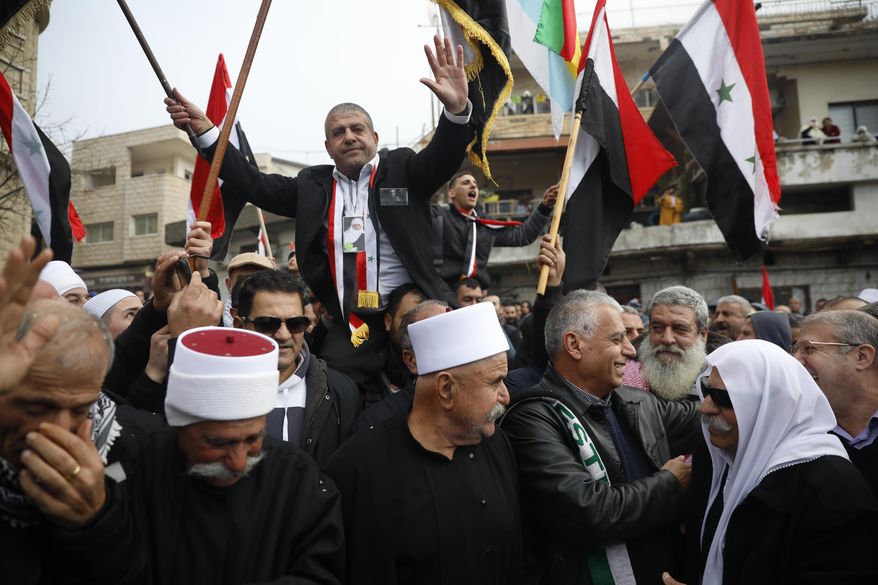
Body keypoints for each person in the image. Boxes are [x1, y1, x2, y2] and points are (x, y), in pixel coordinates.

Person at [165, 36, 473, 395]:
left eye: (357, 129)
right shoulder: (311, 185)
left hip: (412, 306)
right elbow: (252, 182)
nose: (349, 137)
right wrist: (206, 132)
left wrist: (456, 113)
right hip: (354, 322)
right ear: (328, 147)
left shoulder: (403, 167)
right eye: (338, 132)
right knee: (333, 390)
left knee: (450, 379)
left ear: (374, 136)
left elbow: (444, 157)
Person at [502, 290, 700, 585]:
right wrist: (670, 483)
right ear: (574, 345)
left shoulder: (636, 402)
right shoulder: (533, 419)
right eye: (616, 339)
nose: (631, 350)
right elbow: (591, 514)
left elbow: (709, 416)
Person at [123, 326, 344, 584]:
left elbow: (321, 574)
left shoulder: (299, 478)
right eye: (218, 442)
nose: (239, 462)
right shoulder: (135, 470)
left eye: (253, 439)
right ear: (180, 424)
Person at [326, 302, 522, 584]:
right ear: (445, 388)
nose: (505, 396)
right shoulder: (361, 469)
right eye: (495, 382)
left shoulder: (497, 443)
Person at [666, 340, 878, 585]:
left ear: (769, 404)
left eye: (723, 398)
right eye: (706, 391)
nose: (705, 407)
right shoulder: (718, 460)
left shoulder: (831, 491)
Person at [0, 237, 147, 584]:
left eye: (81, 408)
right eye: (36, 406)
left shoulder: (133, 456)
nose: (58, 426)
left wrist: (97, 522)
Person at [234, 270, 360, 467]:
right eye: (267, 323)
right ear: (239, 325)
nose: (284, 335)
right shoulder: (215, 390)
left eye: (295, 323)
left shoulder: (340, 391)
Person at [794, 310, 878, 495]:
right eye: (795, 350)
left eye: (808, 349)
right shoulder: (796, 434)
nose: (796, 361)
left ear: (861, 356)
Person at [431, 171, 556, 290]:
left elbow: (522, 235)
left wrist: (545, 207)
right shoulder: (437, 215)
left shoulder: (486, 224)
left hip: (476, 292)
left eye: (475, 183)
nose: (473, 185)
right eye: (465, 183)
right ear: (451, 193)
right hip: (444, 290)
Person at [354, 299, 450, 431]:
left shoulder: (482, 404)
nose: (452, 348)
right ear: (411, 360)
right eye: (438, 338)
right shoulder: (377, 422)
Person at [638, 286, 709, 401]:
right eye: (658, 327)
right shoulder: (624, 379)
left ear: (702, 335)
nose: (667, 339)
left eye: (680, 328)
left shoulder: (721, 388)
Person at [222, 251, 275, 326]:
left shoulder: (285, 321)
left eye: (259, 279)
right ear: (229, 285)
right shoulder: (214, 320)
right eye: (242, 280)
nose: (250, 286)